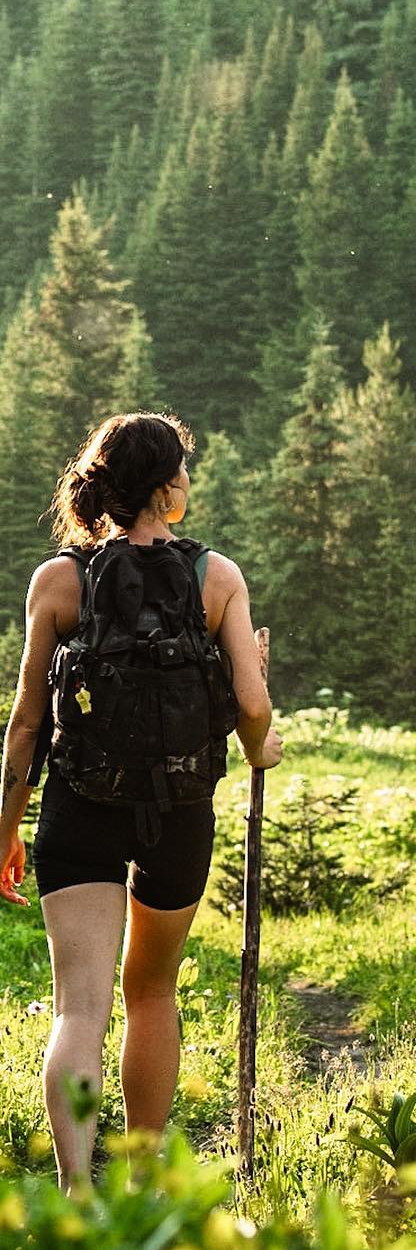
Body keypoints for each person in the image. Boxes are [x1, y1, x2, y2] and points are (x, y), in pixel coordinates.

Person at [0, 413, 282, 1190]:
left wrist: (5, 832)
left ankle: (75, 1191)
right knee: (152, 990)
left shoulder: (60, 579)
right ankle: (144, 1183)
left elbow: (26, 723)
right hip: (180, 814)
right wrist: (263, 747)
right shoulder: (214, 576)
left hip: (80, 809)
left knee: (76, 1009)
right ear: (167, 487)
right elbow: (252, 710)